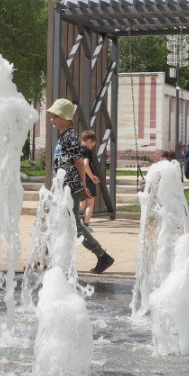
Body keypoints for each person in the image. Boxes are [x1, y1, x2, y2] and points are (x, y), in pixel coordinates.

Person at [47, 99, 114, 274]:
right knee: (57, 221)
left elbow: (78, 162)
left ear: (65, 117)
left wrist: (83, 185)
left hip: (70, 187)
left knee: (73, 224)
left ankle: (102, 256)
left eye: (55, 116)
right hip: (65, 186)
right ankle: (44, 258)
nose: (51, 119)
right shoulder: (64, 136)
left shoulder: (69, 137)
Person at [79, 129, 101, 226]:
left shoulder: (77, 149)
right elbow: (85, 164)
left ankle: (67, 216)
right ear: (89, 141)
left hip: (78, 178)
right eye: (92, 145)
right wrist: (92, 177)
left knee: (81, 204)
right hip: (87, 179)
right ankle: (86, 224)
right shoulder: (87, 151)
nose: (92, 147)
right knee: (90, 203)